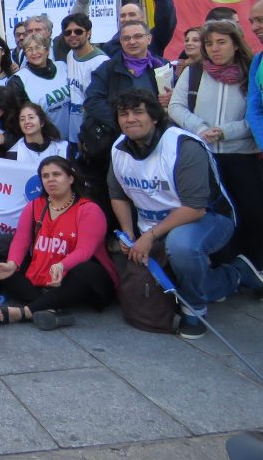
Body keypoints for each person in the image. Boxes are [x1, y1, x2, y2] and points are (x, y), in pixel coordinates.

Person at [107, 89, 263, 339]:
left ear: (154, 117)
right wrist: (127, 233)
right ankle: (235, 274)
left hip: (208, 219)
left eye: (138, 112)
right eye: (123, 114)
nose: (130, 119)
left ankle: (194, 308)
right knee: (156, 284)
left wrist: (149, 236)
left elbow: (195, 207)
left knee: (181, 247)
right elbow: (117, 195)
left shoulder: (183, 145)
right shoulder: (118, 147)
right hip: (155, 228)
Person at [0, 156, 117, 329]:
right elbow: (21, 241)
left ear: (70, 178)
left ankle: (25, 312)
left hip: (81, 278)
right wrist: (12, 264)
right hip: (44, 275)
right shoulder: (34, 205)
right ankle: (52, 306)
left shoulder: (89, 209)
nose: (51, 179)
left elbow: (85, 251)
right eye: (45, 176)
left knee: (85, 271)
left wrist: (62, 265)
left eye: (57, 174)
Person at [170, 20, 262, 264]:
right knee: (214, 215)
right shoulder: (195, 72)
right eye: (209, 43)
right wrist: (200, 128)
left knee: (251, 213)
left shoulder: (251, 71)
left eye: (221, 42)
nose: (214, 49)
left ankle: (255, 267)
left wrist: (225, 131)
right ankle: (223, 266)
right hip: (204, 156)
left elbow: (256, 113)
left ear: (235, 44)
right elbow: (176, 107)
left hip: (242, 156)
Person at [84, 20, 172, 134]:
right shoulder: (107, 69)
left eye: (138, 36)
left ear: (149, 39)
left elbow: (179, 98)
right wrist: (122, 121)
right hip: (118, 137)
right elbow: (92, 101)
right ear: (121, 41)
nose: (132, 42)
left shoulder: (162, 65)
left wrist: (172, 97)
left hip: (157, 134)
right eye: (126, 38)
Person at [8, 33, 70, 140]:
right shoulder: (18, 81)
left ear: (47, 50)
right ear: (25, 55)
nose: (34, 53)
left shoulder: (63, 66)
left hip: (72, 137)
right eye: (29, 49)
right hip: (46, 142)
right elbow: (17, 118)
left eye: (38, 48)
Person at [100, 0, 177, 59]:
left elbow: (166, 20)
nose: (127, 19)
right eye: (123, 15)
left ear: (141, 18)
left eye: (132, 14)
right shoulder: (109, 47)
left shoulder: (155, 39)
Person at [61, 13, 108, 145]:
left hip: (92, 133)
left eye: (78, 31)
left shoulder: (101, 62)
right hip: (73, 131)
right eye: (68, 32)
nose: (72, 35)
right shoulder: (70, 55)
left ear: (88, 33)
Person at [247, 0, 263, 148]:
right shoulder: (258, 61)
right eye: (252, 22)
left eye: (260, 20)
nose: (254, 27)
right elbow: (254, 109)